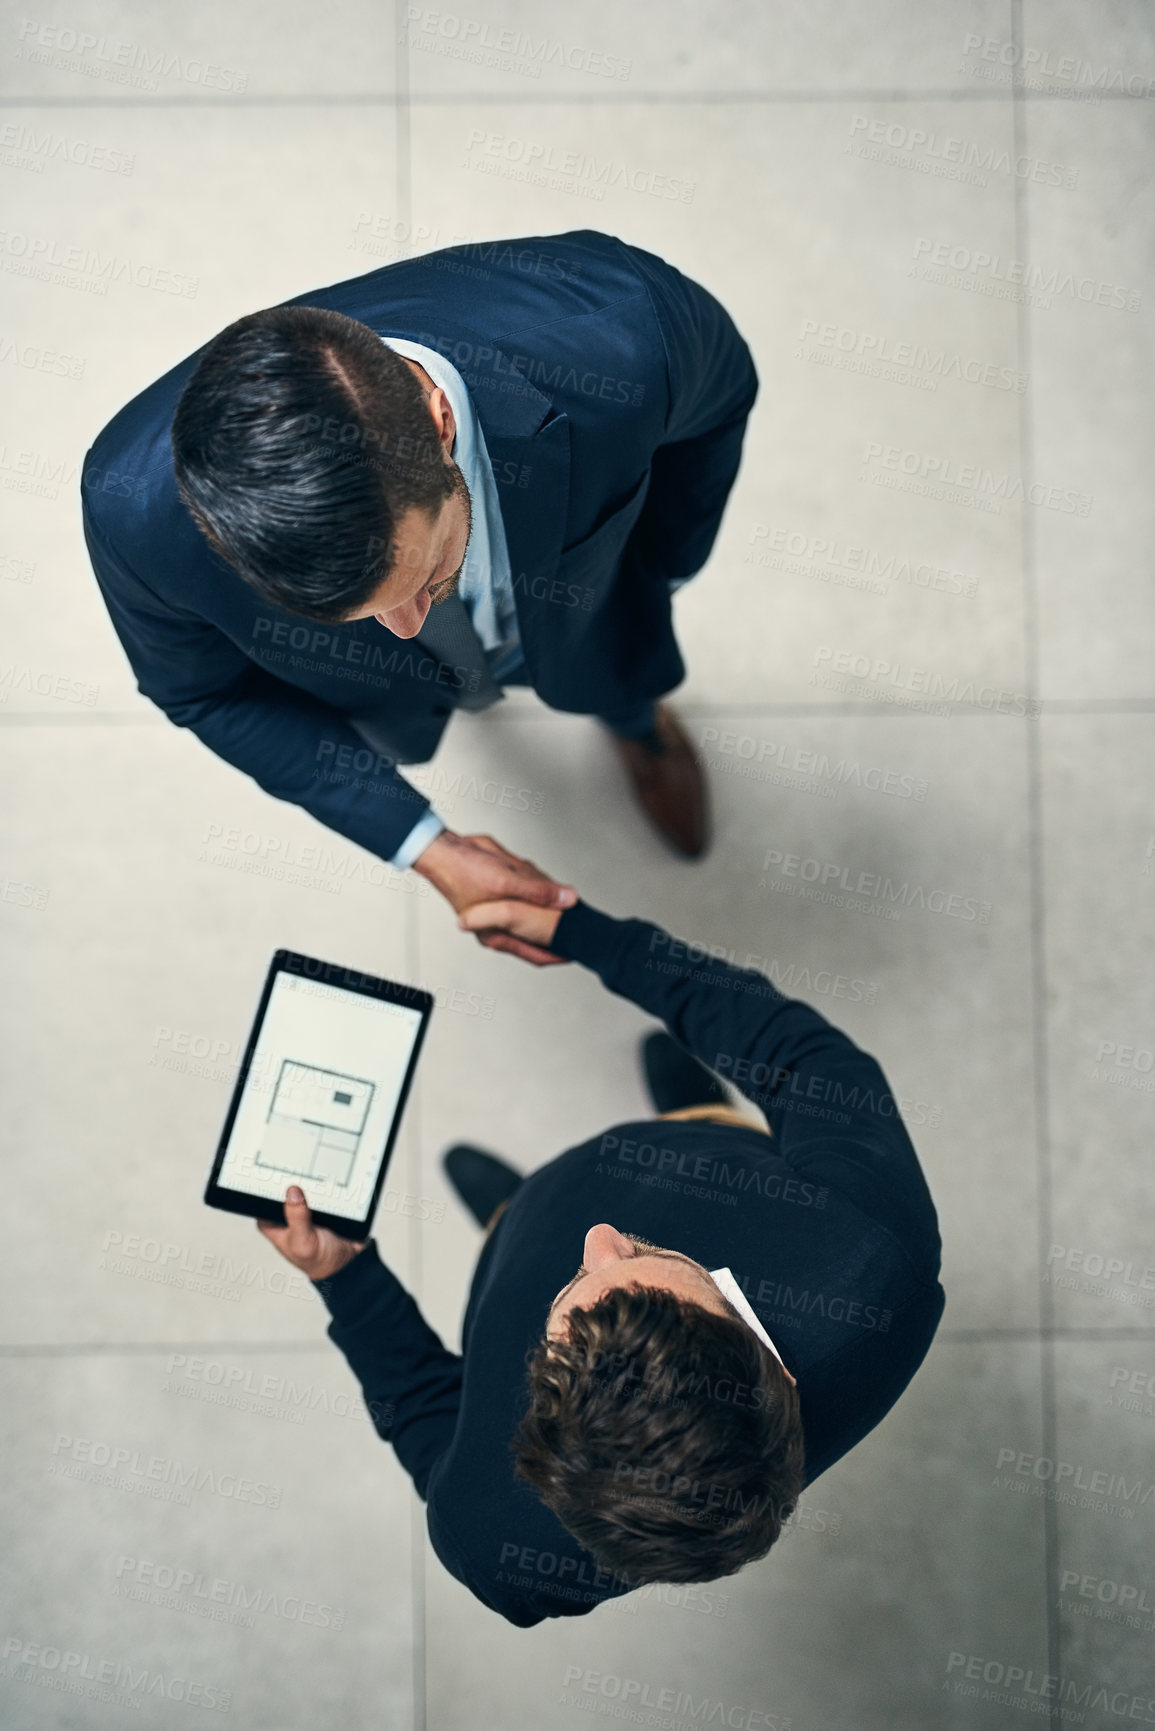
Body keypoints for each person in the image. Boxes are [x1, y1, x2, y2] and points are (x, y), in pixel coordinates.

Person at [258, 853, 945, 1627]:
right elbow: (804, 1063)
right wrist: (594, 938)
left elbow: (429, 1411)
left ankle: (507, 1213)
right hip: (711, 1162)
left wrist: (347, 1278)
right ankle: (687, 1108)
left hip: (523, 1247)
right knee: (671, 1137)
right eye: (646, 1260)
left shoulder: (492, 1543)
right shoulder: (870, 1246)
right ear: (768, 1360)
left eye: (566, 1312)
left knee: (523, 1228)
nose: (598, 1237)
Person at [80, 230, 759, 957]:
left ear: (439, 422)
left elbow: (720, 402)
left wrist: (657, 573)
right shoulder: (133, 512)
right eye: (361, 610)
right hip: (389, 688)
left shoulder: (626, 328)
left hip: (575, 599)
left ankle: (637, 728)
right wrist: (425, 845)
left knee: (612, 661)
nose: (404, 627)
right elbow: (203, 694)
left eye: (427, 577)